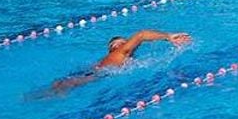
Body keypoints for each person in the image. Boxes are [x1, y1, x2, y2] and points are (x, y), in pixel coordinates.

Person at [47, 30, 191, 95]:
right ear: (113, 49)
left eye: (124, 42)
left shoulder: (107, 59)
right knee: (59, 91)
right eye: (120, 44)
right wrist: (168, 36)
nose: (124, 45)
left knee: (53, 89)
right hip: (88, 78)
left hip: (88, 75)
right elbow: (141, 35)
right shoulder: (121, 53)